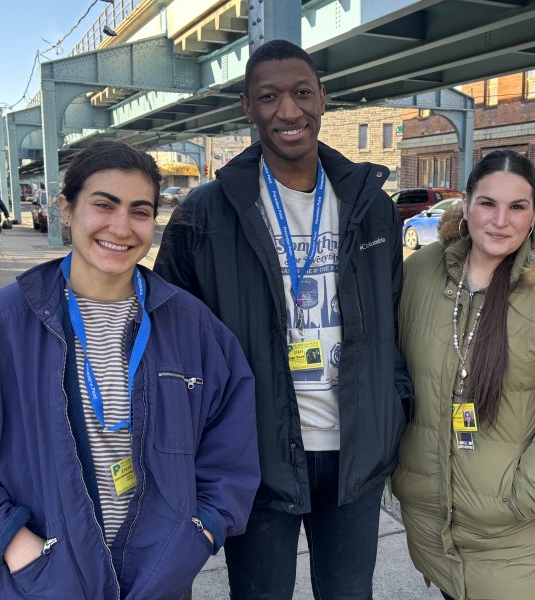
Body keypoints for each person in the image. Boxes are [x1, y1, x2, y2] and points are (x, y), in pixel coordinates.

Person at [0, 140, 260, 600]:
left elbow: (231, 453)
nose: (121, 227)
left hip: (159, 583)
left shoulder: (195, 329)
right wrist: (14, 543)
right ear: (67, 208)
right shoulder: (0, 329)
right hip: (44, 584)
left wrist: (197, 533)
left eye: (140, 211)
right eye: (104, 205)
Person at [154, 39, 412, 599]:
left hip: (355, 456)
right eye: (269, 97)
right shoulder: (206, 214)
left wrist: (394, 408)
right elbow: (168, 339)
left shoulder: (372, 207)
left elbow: (394, 321)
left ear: (323, 97)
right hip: (257, 457)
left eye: (301, 93)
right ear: (248, 107)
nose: (288, 111)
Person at [393, 149, 535, 600]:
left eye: (517, 207)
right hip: (438, 530)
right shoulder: (419, 273)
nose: (500, 221)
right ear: (466, 204)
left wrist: (523, 496)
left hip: (523, 539)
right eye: (488, 203)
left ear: (534, 214)